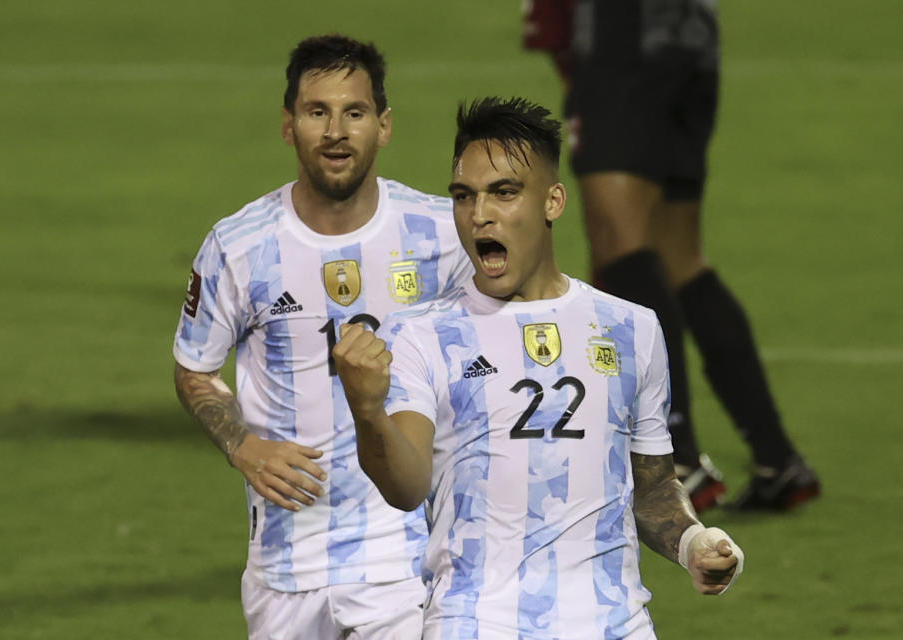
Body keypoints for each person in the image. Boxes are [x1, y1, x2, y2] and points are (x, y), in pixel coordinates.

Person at [332, 97, 744, 639]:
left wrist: (693, 543)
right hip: (477, 623)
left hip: (613, 624)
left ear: (553, 201)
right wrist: (367, 410)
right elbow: (407, 487)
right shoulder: (423, 335)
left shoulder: (631, 329)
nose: (480, 214)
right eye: (464, 196)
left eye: (504, 192)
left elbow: (650, 485)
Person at [172, 35, 473, 640]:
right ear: (289, 126)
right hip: (287, 561)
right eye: (317, 112)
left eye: (354, 113)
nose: (336, 131)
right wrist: (242, 446)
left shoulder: (443, 234)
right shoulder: (239, 245)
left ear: (384, 126)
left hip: (406, 558)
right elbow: (195, 369)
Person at [522, 0, 820, 510]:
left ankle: (678, 461)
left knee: (622, 246)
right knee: (680, 256)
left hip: (625, 39)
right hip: (691, 38)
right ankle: (777, 460)